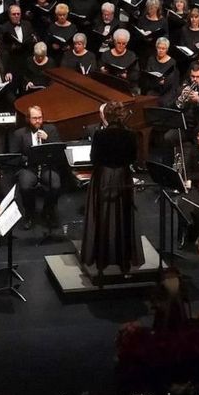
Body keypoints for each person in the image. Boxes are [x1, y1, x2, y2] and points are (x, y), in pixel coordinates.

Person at [81, 101, 142, 279]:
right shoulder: (130, 135)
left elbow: (94, 159)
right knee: (122, 216)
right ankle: (124, 261)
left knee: (102, 216)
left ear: (106, 116)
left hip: (103, 177)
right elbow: (132, 158)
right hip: (122, 177)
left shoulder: (100, 135)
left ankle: (101, 259)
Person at [11, 106, 63, 230]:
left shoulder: (51, 130)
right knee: (25, 186)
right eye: (34, 118)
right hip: (29, 167)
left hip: (47, 167)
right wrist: (28, 160)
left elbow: (59, 152)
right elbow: (15, 155)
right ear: (28, 119)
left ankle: (48, 210)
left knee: (55, 185)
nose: (38, 121)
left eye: (40, 118)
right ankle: (29, 212)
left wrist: (48, 139)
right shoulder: (19, 133)